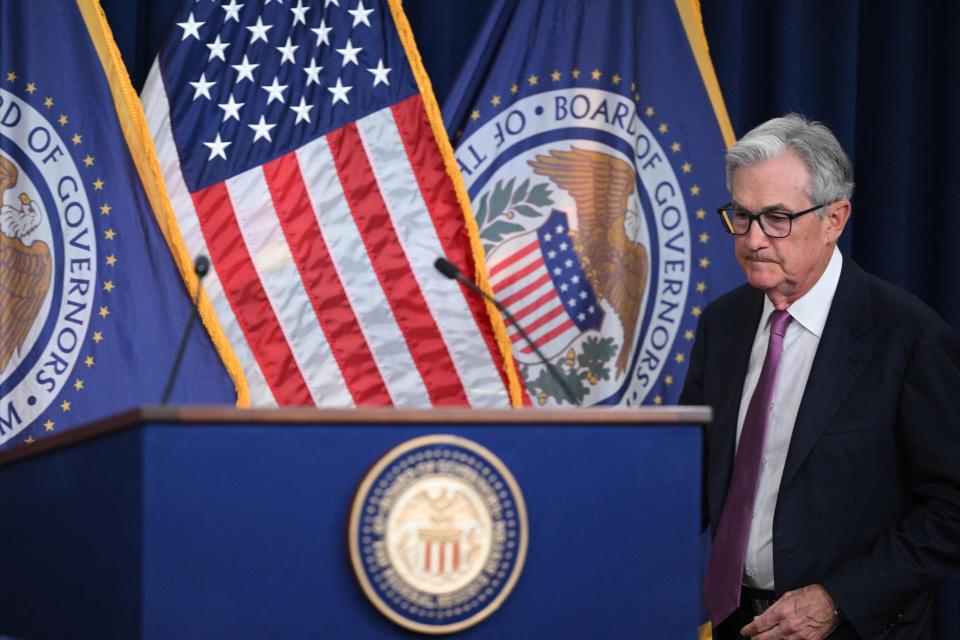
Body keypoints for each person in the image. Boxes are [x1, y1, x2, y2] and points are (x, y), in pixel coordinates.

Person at [680, 114, 960, 639]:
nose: (754, 239)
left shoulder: (907, 336)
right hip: (738, 623)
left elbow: (952, 507)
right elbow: (693, 476)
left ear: (835, 218)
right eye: (741, 215)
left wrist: (838, 600)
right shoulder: (723, 324)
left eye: (777, 218)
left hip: (850, 627)